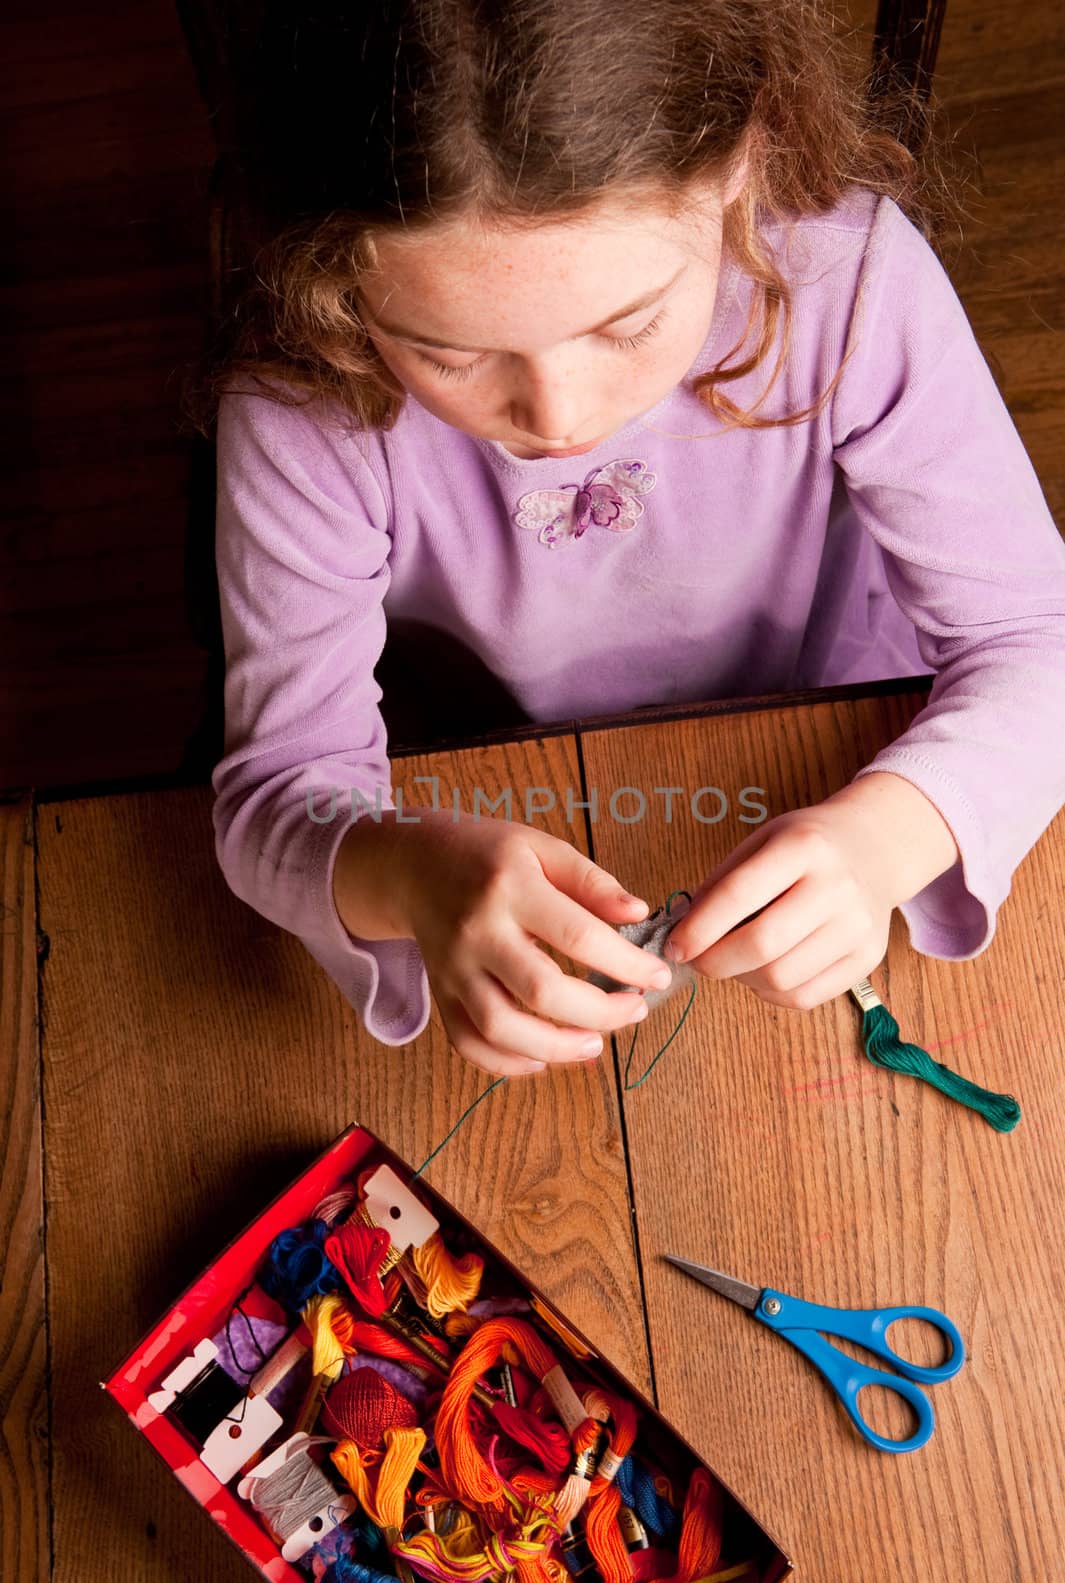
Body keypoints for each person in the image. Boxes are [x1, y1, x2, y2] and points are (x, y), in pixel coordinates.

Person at [201, 0, 1065, 1079]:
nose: (559, 420)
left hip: (838, 711)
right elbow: (281, 790)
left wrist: (890, 837)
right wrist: (407, 876)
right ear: (328, 274)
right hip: (481, 760)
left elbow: (1040, 642)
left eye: (628, 324)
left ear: (745, 159)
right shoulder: (303, 408)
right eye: (447, 352)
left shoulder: (848, 286)